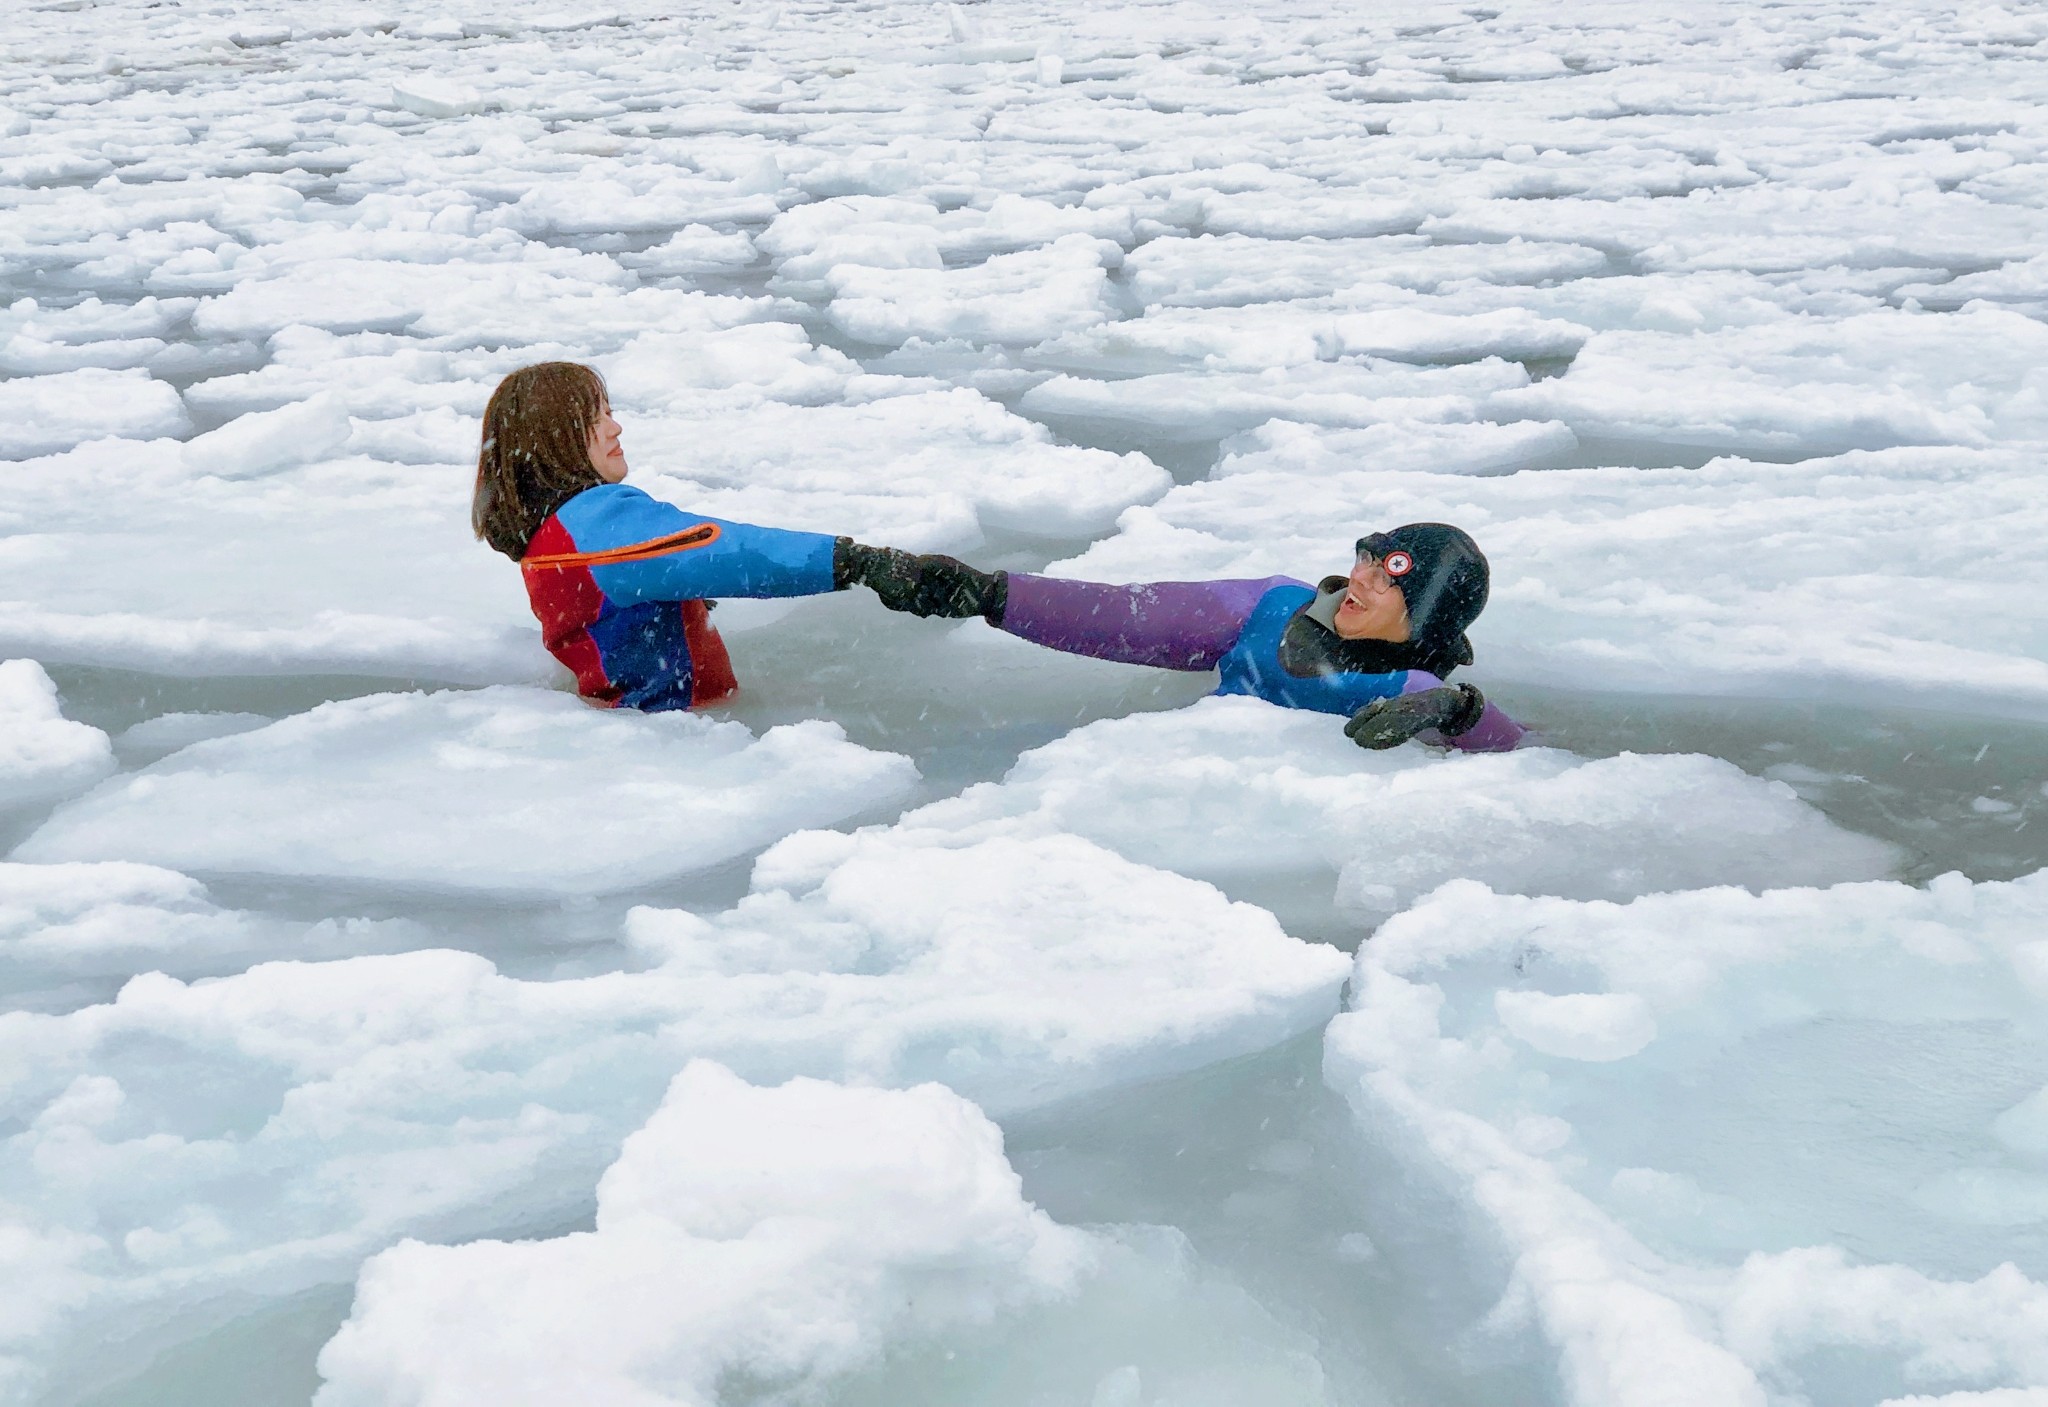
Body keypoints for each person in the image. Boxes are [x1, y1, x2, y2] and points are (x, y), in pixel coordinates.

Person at [471, 361, 971, 710]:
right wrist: (859, 562)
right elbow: (723, 551)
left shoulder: (551, 538)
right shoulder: (595, 525)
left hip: (639, 728)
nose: (616, 427)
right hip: (675, 731)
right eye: (597, 416)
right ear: (556, 437)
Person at [870, 526, 1527, 752]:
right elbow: (1130, 617)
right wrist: (992, 593)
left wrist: (1453, 709)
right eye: (1370, 558)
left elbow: (1511, 749)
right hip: (1195, 792)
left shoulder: (1411, 689)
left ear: (1428, 622)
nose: (1363, 579)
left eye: (1393, 579)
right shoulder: (1270, 606)